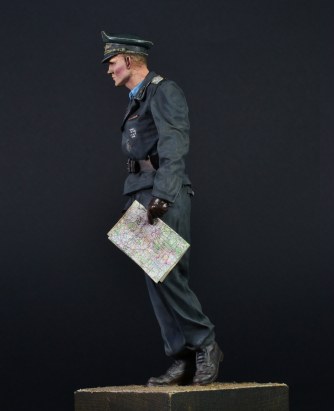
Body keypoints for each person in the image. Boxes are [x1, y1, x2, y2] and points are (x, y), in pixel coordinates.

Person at [101, 31, 222, 386]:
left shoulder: (163, 91)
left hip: (162, 193)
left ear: (129, 60)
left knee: (168, 274)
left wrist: (163, 196)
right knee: (155, 279)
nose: (108, 70)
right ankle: (181, 356)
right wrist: (137, 198)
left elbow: (174, 145)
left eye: (112, 62)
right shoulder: (138, 98)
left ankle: (206, 343)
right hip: (141, 191)